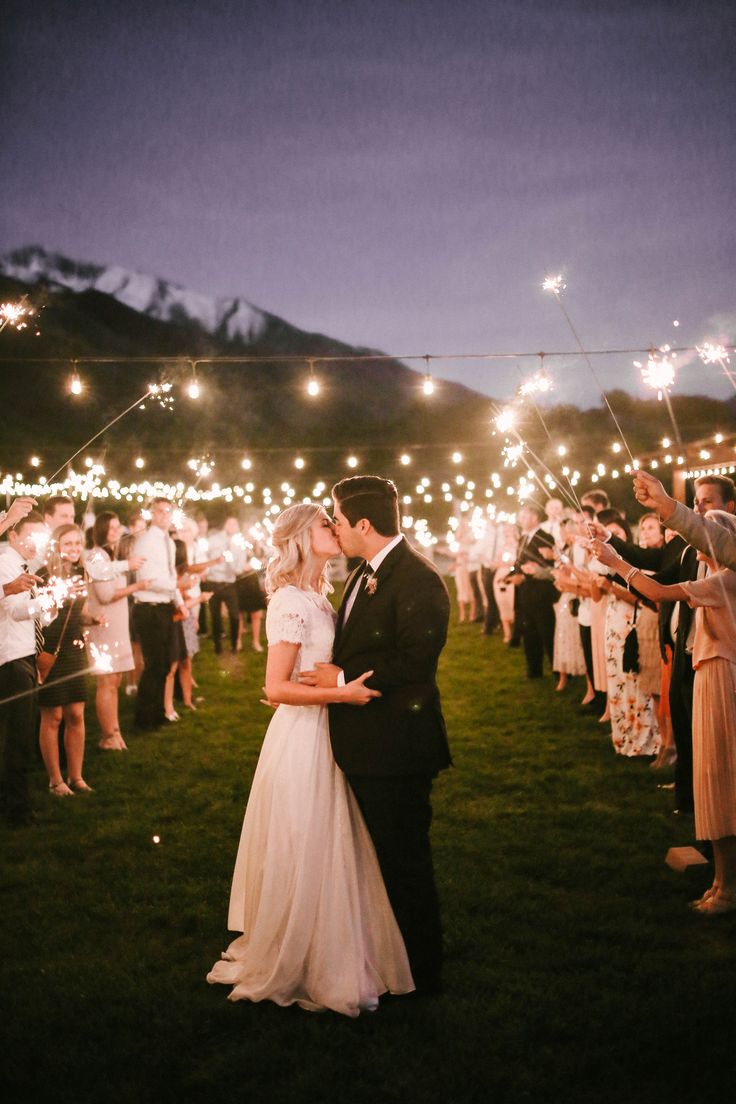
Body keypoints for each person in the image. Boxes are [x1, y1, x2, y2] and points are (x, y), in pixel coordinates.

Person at [207, 502, 414, 1015]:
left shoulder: (322, 596)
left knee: (333, 839)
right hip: (304, 736)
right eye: (326, 522)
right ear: (302, 535)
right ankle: (296, 954)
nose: (336, 527)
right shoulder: (289, 601)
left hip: (330, 731)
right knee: (308, 838)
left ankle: (333, 946)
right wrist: (342, 696)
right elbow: (274, 687)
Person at [300, 475, 451, 995]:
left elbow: (416, 662)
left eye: (338, 521)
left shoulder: (419, 579)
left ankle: (423, 974)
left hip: (398, 747)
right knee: (373, 863)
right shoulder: (360, 574)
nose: (335, 529)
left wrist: (339, 679)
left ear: (363, 524)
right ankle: (386, 962)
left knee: (404, 862)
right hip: (365, 746)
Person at [592, 512, 736, 916]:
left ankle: (727, 888)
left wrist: (616, 563)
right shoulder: (716, 575)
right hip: (708, 676)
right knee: (712, 779)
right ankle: (721, 882)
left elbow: (657, 591)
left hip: (722, 680)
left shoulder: (724, 581)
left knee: (722, 782)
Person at [38, 524, 95, 795]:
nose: (74, 548)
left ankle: (76, 776)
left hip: (74, 648)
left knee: (76, 713)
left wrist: (91, 619)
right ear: (56, 545)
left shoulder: (81, 573)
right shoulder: (44, 574)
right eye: (67, 543)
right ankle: (55, 780)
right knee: (54, 716)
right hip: (50, 649)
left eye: (77, 543)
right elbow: (44, 618)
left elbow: (74, 615)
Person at [86, 511, 151, 750]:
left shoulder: (111, 556)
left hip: (117, 626)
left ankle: (114, 731)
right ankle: (106, 735)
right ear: (101, 531)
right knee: (106, 683)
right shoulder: (96, 556)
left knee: (115, 681)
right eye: (110, 528)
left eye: (117, 527)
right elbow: (105, 595)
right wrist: (138, 586)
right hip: (103, 628)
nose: (115, 531)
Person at [0, 511, 49, 826]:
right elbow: (13, 610)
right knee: (17, 736)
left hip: (24, 654)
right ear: (13, 536)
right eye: (29, 537)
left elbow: (25, 611)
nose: (35, 544)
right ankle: (17, 810)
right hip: (12, 659)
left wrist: (46, 607)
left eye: (39, 538)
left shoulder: (24, 566)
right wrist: (35, 603)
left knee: (21, 733)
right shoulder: (5, 563)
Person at [132, 498, 183, 730]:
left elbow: (170, 573)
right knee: (153, 664)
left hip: (164, 606)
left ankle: (158, 713)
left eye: (168, 511)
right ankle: (144, 718)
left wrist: (178, 601)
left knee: (164, 664)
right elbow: (147, 580)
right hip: (148, 608)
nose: (164, 515)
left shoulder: (169, 543)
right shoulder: (145, 542)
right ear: (152, 514)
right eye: (160, 511)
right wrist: (175, 588)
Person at [507, 503, 557, 679]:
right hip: (524, 593)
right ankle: (533, 669)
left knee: (546, 631)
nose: (521, 519)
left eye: (525, 516)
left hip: (540, 592)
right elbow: (519, 563)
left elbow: (548, 566)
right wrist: (510, 575)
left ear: (535, 517)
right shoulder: (522, 538)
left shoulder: (545, 537)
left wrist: (525, 577)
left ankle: (557, 670)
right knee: (528, 632)